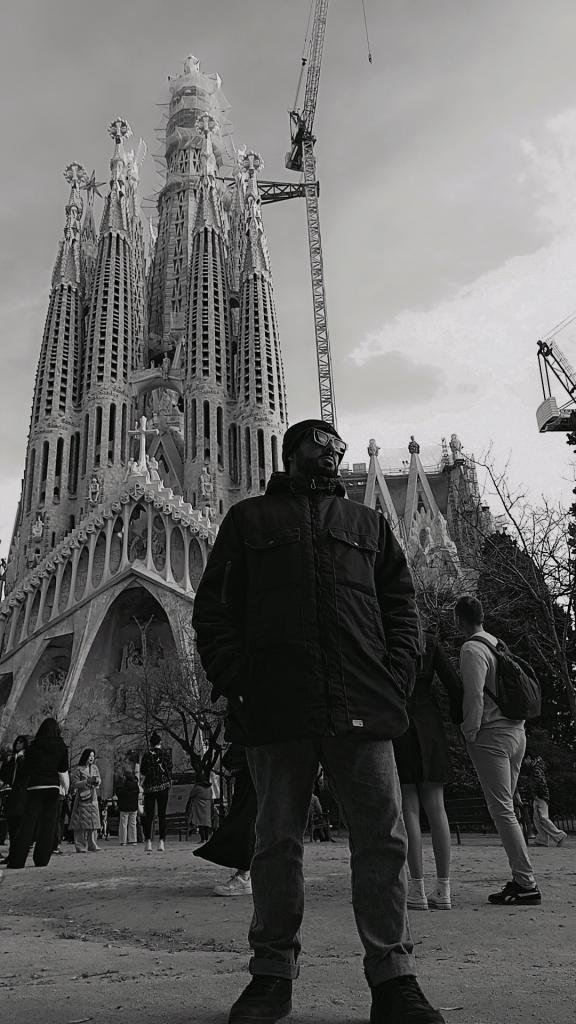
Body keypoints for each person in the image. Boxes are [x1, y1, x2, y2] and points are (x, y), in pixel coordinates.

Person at [193, 418, 445, 1024]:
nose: (332, 455)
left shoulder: (367, 525)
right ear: (291, 452)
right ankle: (271, 977)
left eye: (338, 447)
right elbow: (215, 609)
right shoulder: (250, 521)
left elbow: (402, 608)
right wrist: (239, 683)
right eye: (320, 446)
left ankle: (394, 979)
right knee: (275, 844)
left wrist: (396, 678)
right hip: (278, 707)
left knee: (381, 842)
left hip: (362, 704)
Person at [454, 595, 541, 905]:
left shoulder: (471, 649)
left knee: (501, 810)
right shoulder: (496, 643)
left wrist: (469, 733)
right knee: (507, 808)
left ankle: (525, 882)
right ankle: (522, 878)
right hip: (518, 731)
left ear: (458, 620)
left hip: (492, 735)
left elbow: (474, 697)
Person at [392, 625, 463, 911]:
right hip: (430, 725)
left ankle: (417, 889)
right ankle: (443, 888)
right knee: (437, 809)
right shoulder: (430, 643)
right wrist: (458, 721)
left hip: (401, 723)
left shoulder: (391, 641)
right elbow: (455, 686)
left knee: (408, 807)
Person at [2, 718, 69, 872]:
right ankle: (42, 859)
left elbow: (27, 768)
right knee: (48, 824)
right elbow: (63, 768)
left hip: (35, 786)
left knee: (28, 823)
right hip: (52, 786)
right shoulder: (61, 746)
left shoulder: (34, 746)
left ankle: (17, 860)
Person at [194, 743, 256, 897]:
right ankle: (254, 873)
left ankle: (246, 875)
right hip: (263, 749)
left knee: (247, 814)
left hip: (255, 749)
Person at [522, 752, 567, 848]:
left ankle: (559, 836)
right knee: (538, 819)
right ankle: (542, 839)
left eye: (524, 760)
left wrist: (537, 796)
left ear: (529, 758)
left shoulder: (536, 769)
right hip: (541, 796)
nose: (524, 762)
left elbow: (540, 783)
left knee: (542, 818)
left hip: (540, 797)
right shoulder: (537, 767)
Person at [139, 731, 172, 853]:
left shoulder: (147, 755)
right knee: (162, 815)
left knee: (149, 815)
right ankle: (162, 841)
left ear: (150, 743)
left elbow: (142, 771)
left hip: (150, 787)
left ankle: (148, 841)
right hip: (163, 786)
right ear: (160, 743)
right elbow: (170, 767)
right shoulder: (165, 754)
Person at [0, 735, 29, 863]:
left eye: (21, 742)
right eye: (17, 742)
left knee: (19, 826)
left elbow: (26, 774)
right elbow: (5, 775)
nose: (18, 744)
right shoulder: (12, 759)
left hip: (22, 794)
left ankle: (17, 854)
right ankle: (12, 854)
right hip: (11, 793)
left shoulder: (26, 758)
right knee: (12, 825)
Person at [69, 749, 102, 852]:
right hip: (82, 798)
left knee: (93, 822)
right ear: (85, 757)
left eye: (93, 756)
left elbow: (99, 780)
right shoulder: (79, 769)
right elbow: (74, 784)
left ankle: (93, 844)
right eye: (90, 756)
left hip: (93, 797)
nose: (91, 758)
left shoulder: (95, 768)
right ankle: (80, 846)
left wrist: (97, 781)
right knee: (80, 823)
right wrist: (86, 782)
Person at [115, 768, 140, 846]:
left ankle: (123, 841)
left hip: (124, 807)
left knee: (123, 824)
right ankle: (133, 840)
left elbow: (119, 793)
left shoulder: (123, 785)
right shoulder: (136, 785)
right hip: (134, 807)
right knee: (133, 823)